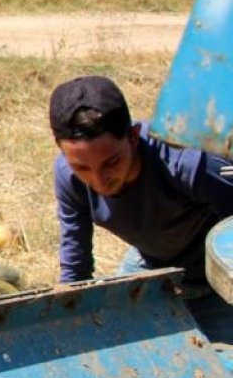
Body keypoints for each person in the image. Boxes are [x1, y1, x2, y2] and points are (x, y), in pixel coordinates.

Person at [49, 75, 233, 344]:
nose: (99, 181)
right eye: (82, 168)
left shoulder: (188, 163)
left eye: (110, 163)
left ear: (134, 137)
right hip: (151, 267)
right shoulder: (68, 176)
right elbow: (76, 270)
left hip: (217, 283)